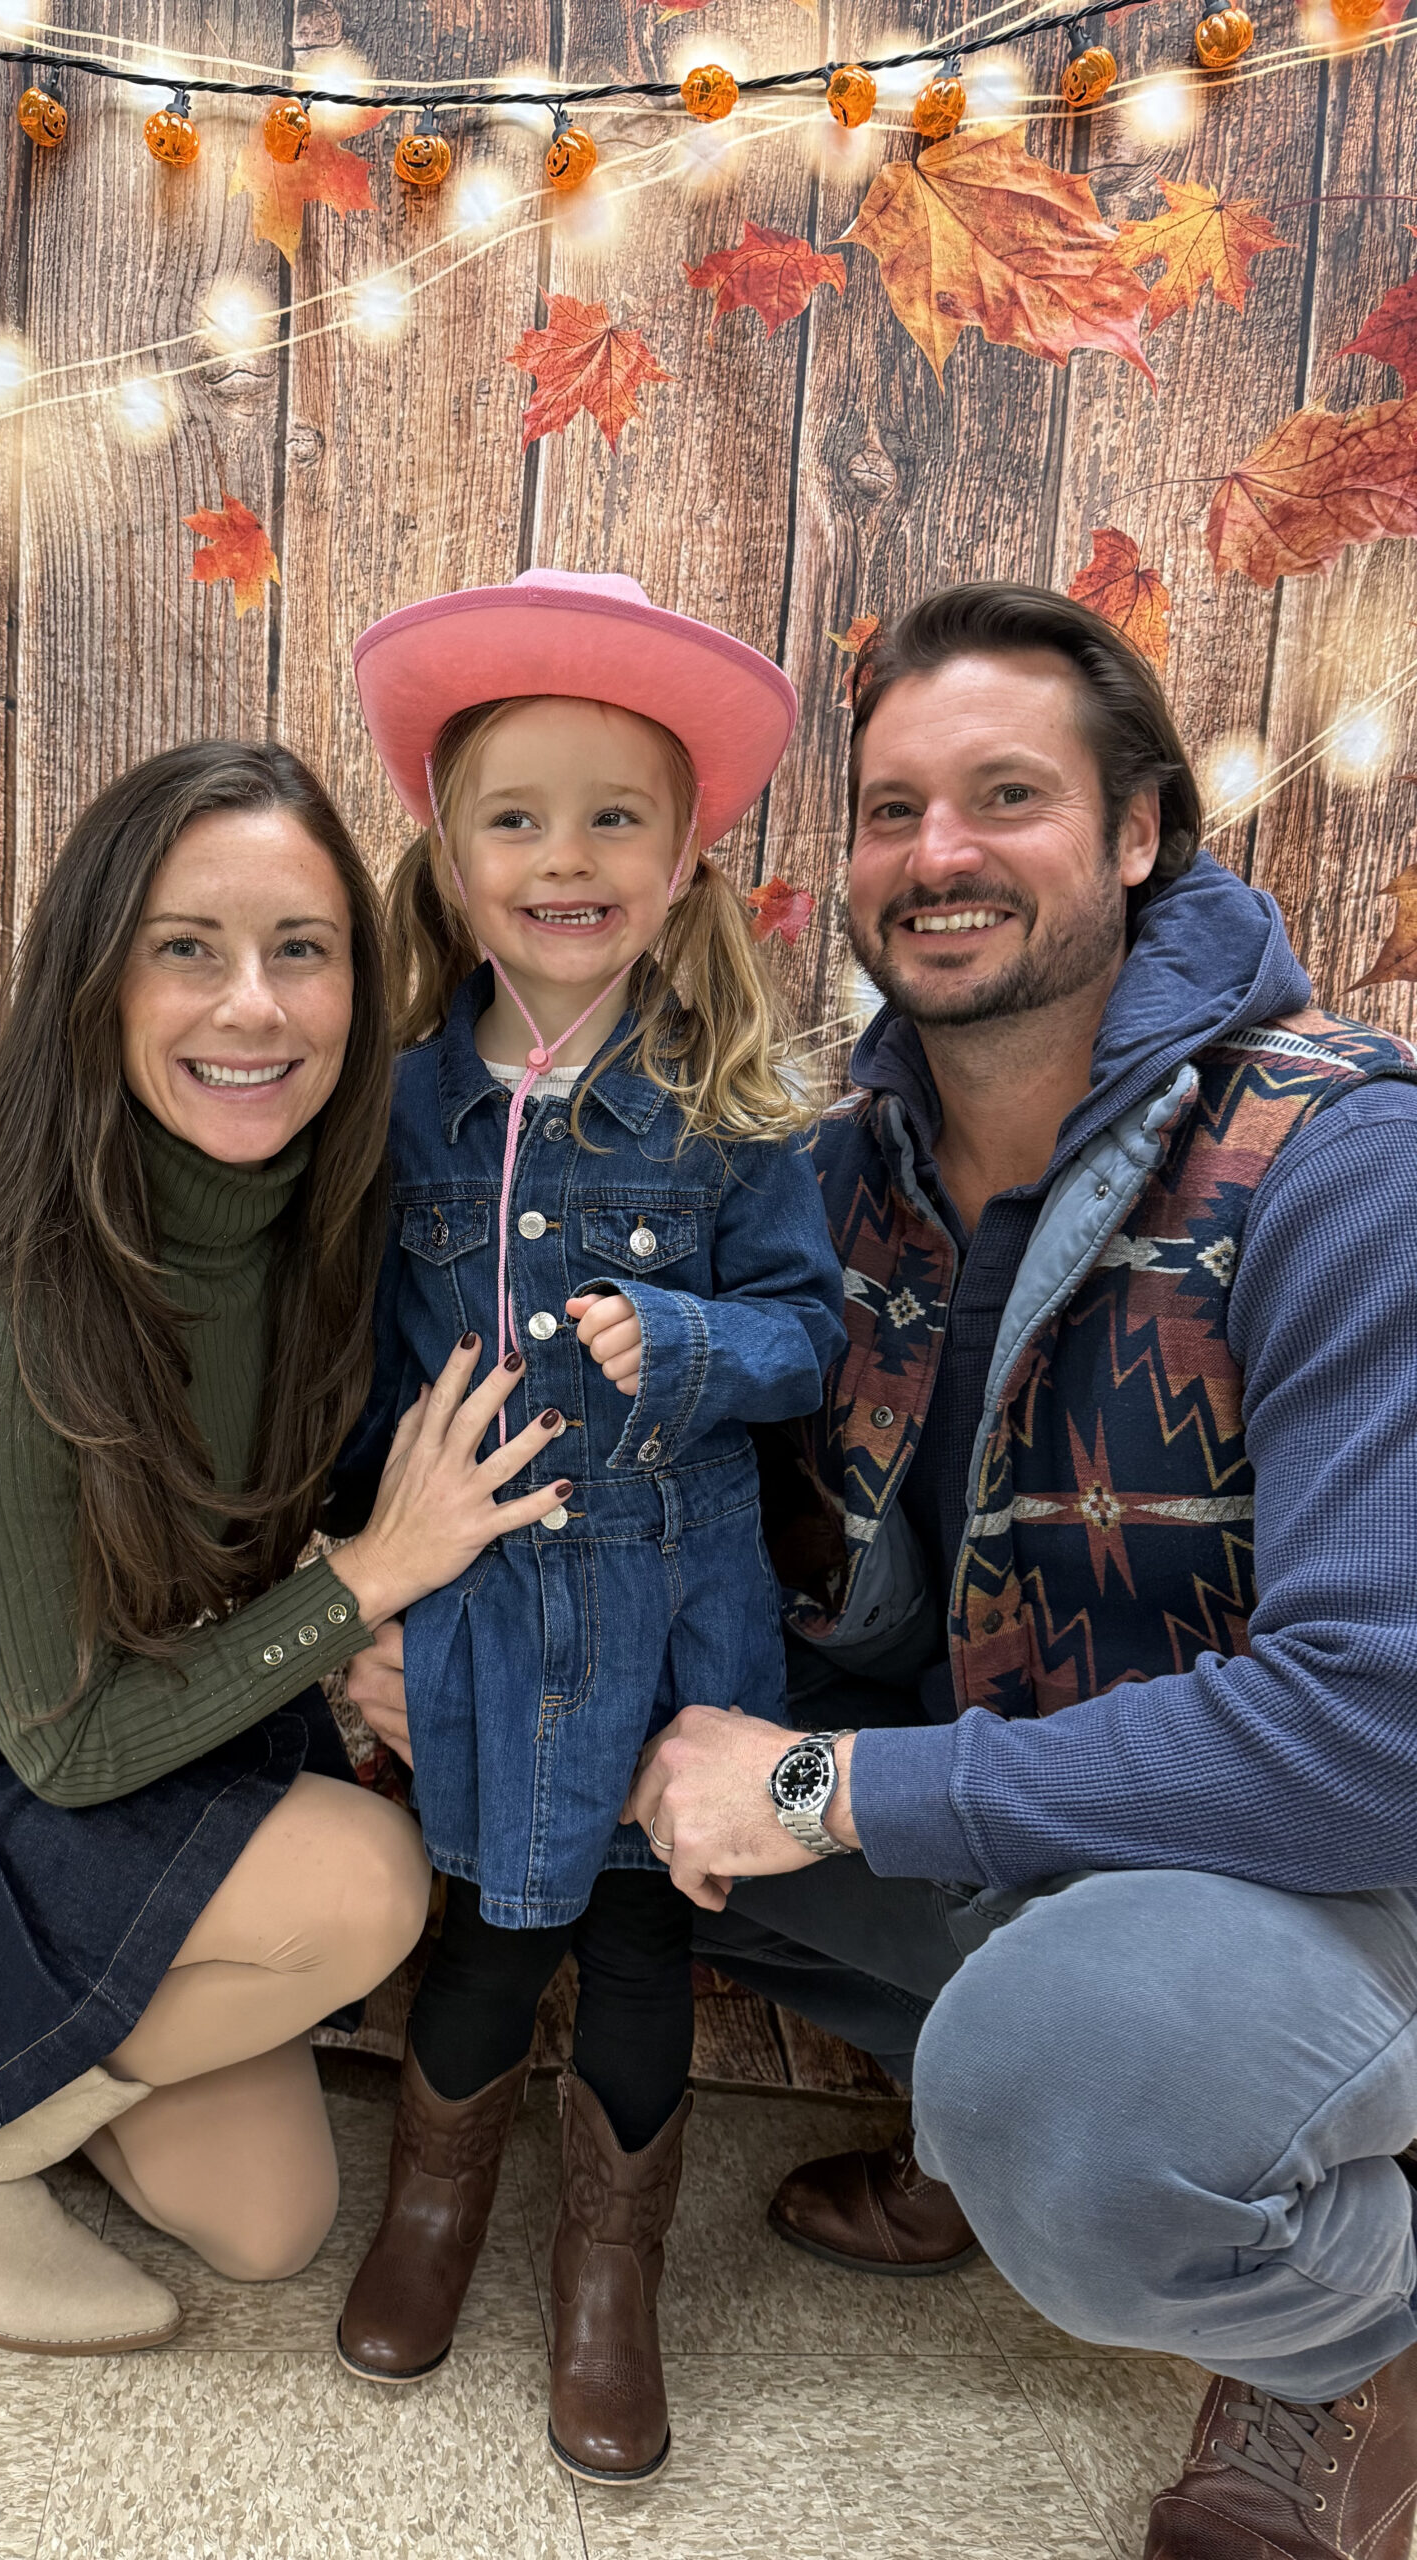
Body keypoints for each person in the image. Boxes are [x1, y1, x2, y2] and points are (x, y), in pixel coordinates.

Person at [608, 583, 1417, 2560]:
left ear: (1141, 832)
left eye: (1006, 796)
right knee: (548, 1790)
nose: (937, 855)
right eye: (892, 810)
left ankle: (1354, 2326)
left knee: (1078, 2089)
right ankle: (1007, 2085)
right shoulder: (838, 1171)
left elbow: (1379, 1733)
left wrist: (826, 1789)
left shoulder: (1336, 1163)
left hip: (1339, 1867)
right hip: (1047, 1812)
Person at [0, 741, 577, 2358]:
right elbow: (65, 1750)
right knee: (363, 1879)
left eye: (302, 950)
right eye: (185, 950)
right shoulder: (6, 1306)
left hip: (139, 1741)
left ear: (362, 981)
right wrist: (358, 1592)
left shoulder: (330, 1224)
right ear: (100, 982)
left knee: (265, 2225)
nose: (251, 1008)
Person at [330, 569, 845, 2485]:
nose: (566, 858)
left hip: (676, 1598)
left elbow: (811, 1339)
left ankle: (609, 2270)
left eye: (614, 815)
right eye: (516, 818)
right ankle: (434, 2208)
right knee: (477, 1923)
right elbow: (356, 1377)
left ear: (688, 853)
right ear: (450, 856)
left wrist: (692, 1340)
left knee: (637, 1934)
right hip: (474, 1604)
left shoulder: (734, 1112)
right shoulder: (395, 1113)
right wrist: (355, 1595)